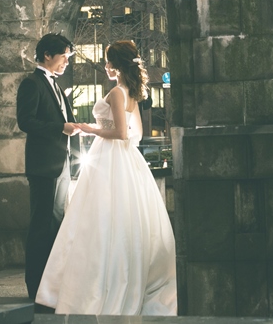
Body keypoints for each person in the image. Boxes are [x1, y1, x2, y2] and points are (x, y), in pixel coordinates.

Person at [35, 40, 177, 315]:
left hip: (111, 156)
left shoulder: (116, 92)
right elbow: (134, 134)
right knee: (118, 219)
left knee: (97, 220)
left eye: (108, 61)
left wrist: (91, 129)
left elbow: (121, 133)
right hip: (125, 159)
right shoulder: (132, 92)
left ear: (116, 65)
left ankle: (94, 285)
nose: (105, 65)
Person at [17, 32, 80, 300]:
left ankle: (51, 287)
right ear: (47, 56)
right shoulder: (31, 84)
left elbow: (69, 122)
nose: (67, 62)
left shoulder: (56, 85)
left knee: (56, 227)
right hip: (44, 167)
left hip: (62, 165)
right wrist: (60, 128)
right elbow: (26, 122)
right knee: (41, 227)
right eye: (64, 56)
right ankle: (35, 288)